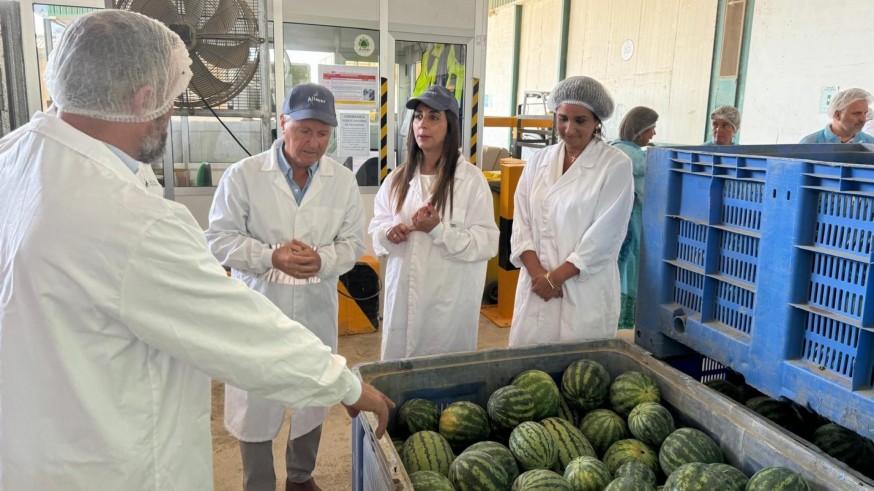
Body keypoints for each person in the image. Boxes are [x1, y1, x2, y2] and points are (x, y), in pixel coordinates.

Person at [0, 10, 392, 491]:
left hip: (35, 442)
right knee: (256, 413)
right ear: (144, 99)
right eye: (169, 104)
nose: (169, 116)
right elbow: (239, 330)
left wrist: (325, 261)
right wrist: (347, 385)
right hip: (105, 459)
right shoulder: (129, 216)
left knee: (300, 414)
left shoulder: (13, 156)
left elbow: (349, 244)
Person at [206, 82, 364, 491]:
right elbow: (219, 239)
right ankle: (258, 482)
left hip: (315, 306)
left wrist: (324, 259)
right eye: (305, 130)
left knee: (313, 392)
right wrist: (271, 256)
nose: (314, 143)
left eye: (323, 133)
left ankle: (300, 476)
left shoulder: (343, 181)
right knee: (255, 401)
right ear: (283, 123)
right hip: (258, 309)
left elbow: (352, 244)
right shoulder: (243, 176)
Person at [368, 85, 498, 360]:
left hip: (447, 303)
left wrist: (439, 231)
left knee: (443, 380)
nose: (422, 125)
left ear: (450, 126)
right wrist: (388, 232)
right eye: (418, 116)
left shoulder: (471, 181)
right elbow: (376, 224)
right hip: (403, 295)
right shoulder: (397, 178)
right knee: (400, 376)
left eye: (433, 117)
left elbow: (487, 243)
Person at [508, 75, 634, 347]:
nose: (569, 128)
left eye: (580, 120)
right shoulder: (539, 161)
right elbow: (522, 222)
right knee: (528, 372)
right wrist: (539, 275)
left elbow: (605, 236)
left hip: (581, 289)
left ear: (597, 122)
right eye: (563, 118)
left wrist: (556, 278)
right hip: (536, 287)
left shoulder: (614, 165)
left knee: (578, 377)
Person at [611, 106, 659, 329]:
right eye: (651, 129)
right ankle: (624, 320)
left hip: (615, 224)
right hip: (630, 225)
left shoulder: (614, 147)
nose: (653, 135)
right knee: (629, 270)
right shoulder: (636, 158)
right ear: (640, 131)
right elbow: (648, 194)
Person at [800, 88, 874, 144]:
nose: (863, 119)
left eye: (865, 113)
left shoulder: (870, 143)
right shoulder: (810, 143)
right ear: (837, 115)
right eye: (856, 113)